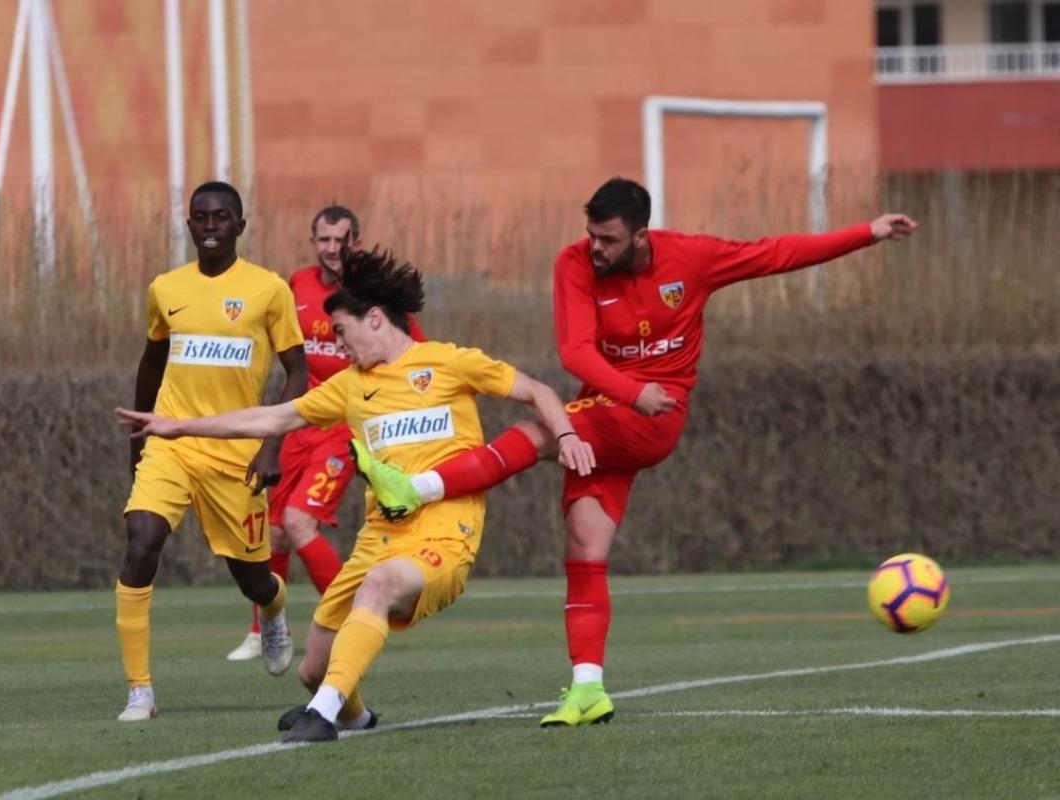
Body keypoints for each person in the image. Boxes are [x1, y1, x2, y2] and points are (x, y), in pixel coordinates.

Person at [346, 176, 919, 727]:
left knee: (544, 431)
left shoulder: (690, 259)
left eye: (609, 239)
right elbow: (574, 353)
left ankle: (415, 489)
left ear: (641, 234)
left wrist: (866, 231)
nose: (595, 248)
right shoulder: (574, 263)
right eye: (592, 235)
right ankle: (589, 687)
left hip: (652, 424)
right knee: (584, 548)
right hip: (607, 415)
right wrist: (628, 391)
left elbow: (776, 253)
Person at [116, 247, 596, 743]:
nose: (339, 347)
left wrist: (567, 437)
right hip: (378, 538)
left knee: (380, 587)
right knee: (314, 668)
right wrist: (180, 426)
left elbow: (538, 391)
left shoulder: (448, 362)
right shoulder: (349, 386)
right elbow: (273, 417)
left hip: (445, 533)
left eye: (341, 333)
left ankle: (321, 716)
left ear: (373, 320)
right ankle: (353, 716)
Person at [115, 181, 308, 722]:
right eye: (200, 218)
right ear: (189, 225)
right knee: (141, 541)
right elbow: (151, 363)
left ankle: (272, 609)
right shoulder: (165, 288)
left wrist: (271, 444)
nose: (209, 227)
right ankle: (140, 690)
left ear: (240, 226)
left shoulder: (268, 290)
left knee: (251, 577)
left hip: (237, 454)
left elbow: (299, 371)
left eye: (221, 218)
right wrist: (141, 437)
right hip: (171, 443)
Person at [226, 205, 426, 661]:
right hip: (300, 421)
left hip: (343, 428)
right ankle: (263, 631)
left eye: (341, 240)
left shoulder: (372, 295)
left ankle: (351, 616)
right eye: (324, 241)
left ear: (355, 240)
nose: (333, 249)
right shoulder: (296, 285)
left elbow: (419, 354)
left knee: (299, 522)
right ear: (313, 242)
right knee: (272, 534)